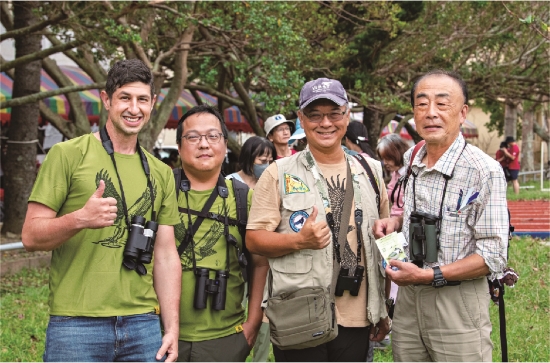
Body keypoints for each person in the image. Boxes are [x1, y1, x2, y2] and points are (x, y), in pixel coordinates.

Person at [21, 59, 182, 362]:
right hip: (76, 324)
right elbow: (30, 236)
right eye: (125, 97)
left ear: (153, 104)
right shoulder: (67, 155)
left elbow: (165, 254)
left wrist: (172, 327)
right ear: (107, 100)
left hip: (143, 323)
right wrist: (79, 219)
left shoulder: (160, 172)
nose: (134, 108)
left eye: (142, 99)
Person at [247, 78, 391, 362]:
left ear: (347, 116)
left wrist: (383, 307)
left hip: (357, 314)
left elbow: (382, 242)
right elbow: (253, 240)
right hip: (300, 314)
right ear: (301, 119)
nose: (325, 123)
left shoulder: (371, 170)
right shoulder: (278, 172)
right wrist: (298, 241)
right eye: (314, 115)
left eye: (334, 113)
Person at [373, 70, 509, 362]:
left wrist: (428, 274)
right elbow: (410, 213)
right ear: (413, 113)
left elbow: (494, 255)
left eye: (442, 104)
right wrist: (395, 222)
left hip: (457, 301)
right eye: (422, 104)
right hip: (409, 300)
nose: (430, 113)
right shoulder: (411, 159)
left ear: (462, 113)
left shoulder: (483, 171)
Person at [173, 105, 269, 362]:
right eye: (193, 137)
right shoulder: (162, 191)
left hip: (226, 336)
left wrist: (253, 324)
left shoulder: (242, 198)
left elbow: (260, 263)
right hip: (162, 334)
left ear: (225, 145)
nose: (204, 144)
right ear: (179, 147)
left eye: (212, 136)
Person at [226, 135, 275, 362]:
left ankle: (260, 358)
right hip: (236, 258)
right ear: (248, 158)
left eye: (270, 158)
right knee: (237, 307)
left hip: (263, 257)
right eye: (261, 158)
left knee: (263, 313)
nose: (266, 162)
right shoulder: (229, 182)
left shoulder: (272, 182)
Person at [377, 134, 411, 218]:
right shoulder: (395, 173)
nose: (385, 163)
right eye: (382, 159)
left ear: (397, 154)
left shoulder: (410, 175)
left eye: (388, 158)